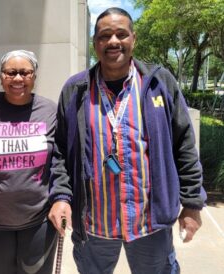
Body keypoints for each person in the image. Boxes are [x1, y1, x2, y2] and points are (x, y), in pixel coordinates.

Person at [48, 7, 204, 274]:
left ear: (134, 38)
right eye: (104, 35)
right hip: (94, 225)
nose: (113, 41)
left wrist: (191, 204)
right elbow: (60, 150)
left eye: (121, 34)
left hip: (150, 224)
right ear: (95, 42)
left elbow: (185, 145)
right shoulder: (75, 90)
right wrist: (61, 195)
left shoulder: (159, 82)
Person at [0, 50, 58, 274]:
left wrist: (62, 198)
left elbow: (61, 159)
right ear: (0, 76)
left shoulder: (49, 110)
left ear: (34, 76)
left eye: (25, 72)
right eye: (11, 72)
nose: (17, 79)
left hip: (39, 221)